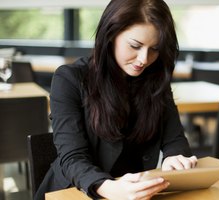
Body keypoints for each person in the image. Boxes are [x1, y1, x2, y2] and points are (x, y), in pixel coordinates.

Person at [34, 0, 197, 199]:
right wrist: (109, 188)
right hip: (73, 191)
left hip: (133, 193)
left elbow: (175, 140)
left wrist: (174, 158)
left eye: (154, 49)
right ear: (111, 35)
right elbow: (72, 157)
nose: (144, 59)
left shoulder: (154, 79)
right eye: (135, 46)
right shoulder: (69, 78)